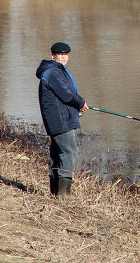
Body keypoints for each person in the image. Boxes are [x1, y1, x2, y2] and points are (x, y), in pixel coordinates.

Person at [36, 41, 88, 196]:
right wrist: (80, 102)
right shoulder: (53, 72)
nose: (64, 57)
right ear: (53, 55)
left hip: (59, 118)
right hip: (60, 120)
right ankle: (64, 194)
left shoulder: (57, 70)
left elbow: (65, 93)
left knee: (58, 152)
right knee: (68, 151)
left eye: (66, 55)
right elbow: (66, 94)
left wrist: (77, 103)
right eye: (60, 54)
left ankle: (56, 192)